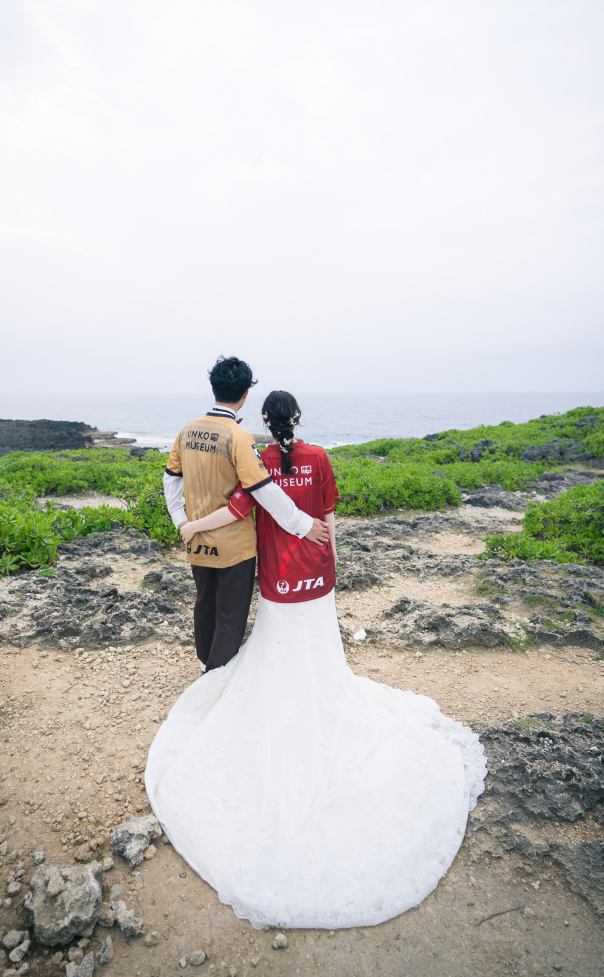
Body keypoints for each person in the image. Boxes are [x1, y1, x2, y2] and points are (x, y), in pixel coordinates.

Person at [147, 390, 487, 931]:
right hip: (317, 569)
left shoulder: (254, 459)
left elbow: (242, 506)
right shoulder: (320, 457)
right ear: (298, 419)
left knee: (274, 644)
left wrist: (190, 525)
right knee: (320, 651)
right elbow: (326, 515)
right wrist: (326, 551)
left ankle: (238, 688)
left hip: (279, 575)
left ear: (264, 421)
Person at [162, 357, 329, 672]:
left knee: (204, 606)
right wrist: (302, 524)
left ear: (214, 388)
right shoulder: (240, 438)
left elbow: (171, 480)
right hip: (233, 546)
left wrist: (181, 521)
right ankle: (217, 677)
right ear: (245, 395)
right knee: (230, 615)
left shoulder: (186, 431)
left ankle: (203, 665)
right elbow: (263, 490)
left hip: (196, 540)